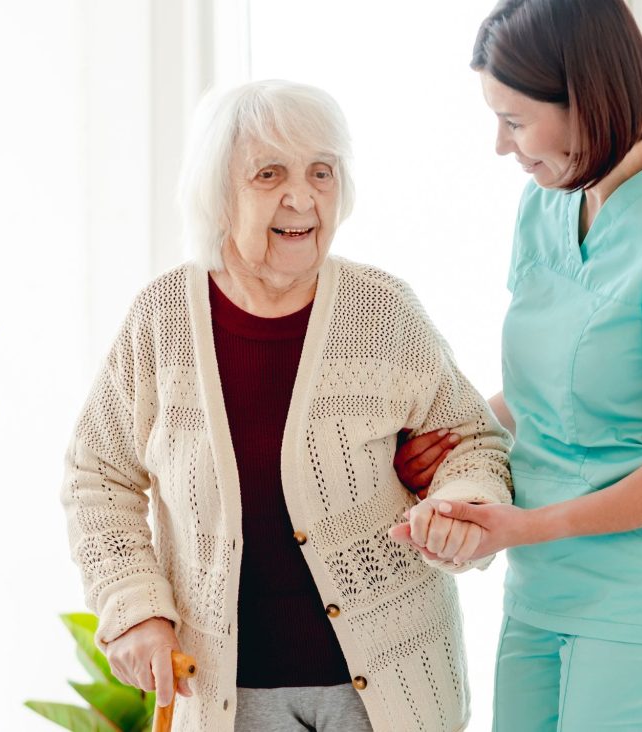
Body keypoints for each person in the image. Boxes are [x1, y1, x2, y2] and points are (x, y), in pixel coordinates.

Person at [61, 79, 512, 732]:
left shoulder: (383, 310)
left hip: (390, 685)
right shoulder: (162, 320)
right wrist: (134, 606)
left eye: (320, 173)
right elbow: (96, 473)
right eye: (269, 174)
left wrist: (459, 503)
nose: (300, 198)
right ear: (220, 193)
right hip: (230, 694)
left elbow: (472, 441)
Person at [390, 1, 642, 729]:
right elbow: (545, 391)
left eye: (516, 121)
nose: (501, 146)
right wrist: (459, 437)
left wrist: (528, 525)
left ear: (586, 98)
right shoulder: (544, 206)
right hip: (540, 593)